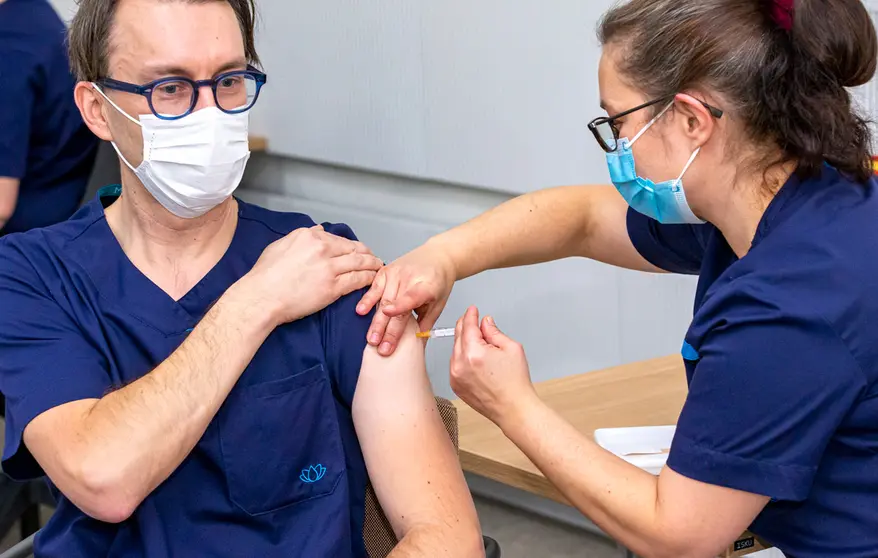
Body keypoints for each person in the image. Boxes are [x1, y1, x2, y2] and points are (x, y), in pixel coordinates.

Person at [359, 0, 878, 556]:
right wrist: (445, 256)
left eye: (619, 122)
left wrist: (511, 404)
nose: (618, 147)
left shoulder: (789, 305)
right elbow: (580, 220)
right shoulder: (797, 194)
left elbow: (678, 535)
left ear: (692, 120)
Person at [0, 0, 483, 556]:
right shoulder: (34, 277)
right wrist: (257, 301)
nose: (211, 114)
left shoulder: (328, 262)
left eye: (229, 80)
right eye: (171, 88)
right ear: (98, 109)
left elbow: (445, 534)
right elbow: (102, 477)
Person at [0, 0, 99, 235]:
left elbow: (1, 205)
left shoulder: (11, 46)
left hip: (25, 238)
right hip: (62, 209)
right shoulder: (34, 17)